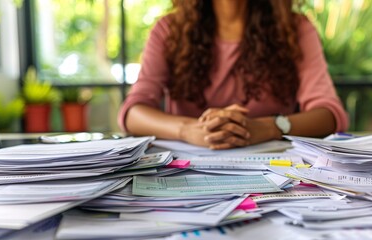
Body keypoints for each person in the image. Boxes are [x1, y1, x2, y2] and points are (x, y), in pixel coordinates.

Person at [118, 0, 349, 150]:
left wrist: (268, 127)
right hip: (186, 172)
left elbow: (329, 114)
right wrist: (188, 130)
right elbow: (133, 114)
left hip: (274, 172)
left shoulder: (296, 28)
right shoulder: (168, 30)